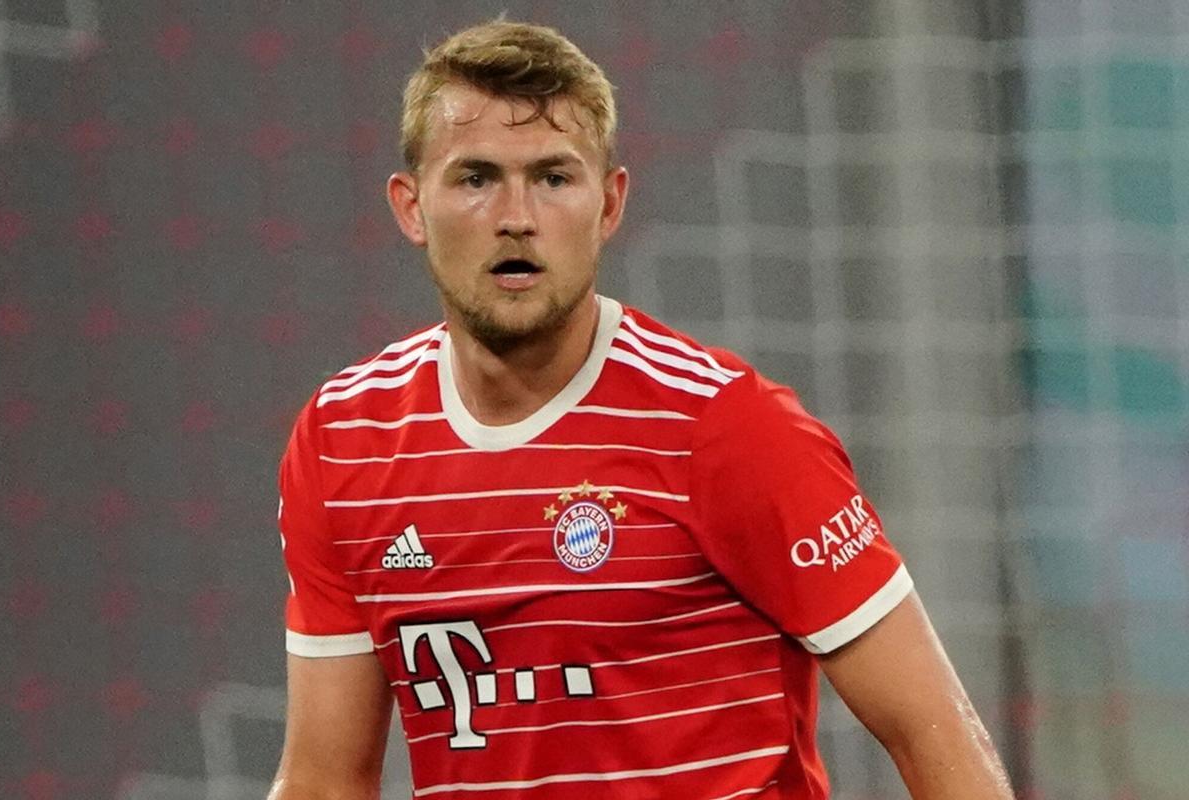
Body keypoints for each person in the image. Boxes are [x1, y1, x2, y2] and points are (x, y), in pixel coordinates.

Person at [268, 19, 1015, 800]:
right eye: (476, 178)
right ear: (411, 205)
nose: (516, 216)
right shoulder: (343, 440)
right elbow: (323, 780)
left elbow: (938, 739)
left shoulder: (728, 427)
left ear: (611, 203)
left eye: (554, 178)